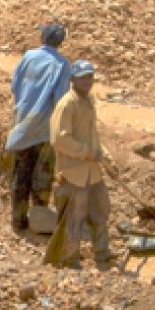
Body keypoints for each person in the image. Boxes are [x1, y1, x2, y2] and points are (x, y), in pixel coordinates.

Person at [5, 22, 70, 233]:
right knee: (42, 174)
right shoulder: (62, 64)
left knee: (20, 174)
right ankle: (39, 220)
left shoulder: (29, 56)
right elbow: (61, 99)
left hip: (23, 122)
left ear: (43, 37)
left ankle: (18, 221)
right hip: (44, 128)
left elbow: (15, 86)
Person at [48, 60, 112, 267]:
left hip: (92, 171)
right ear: (72, 79)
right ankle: (69, 257)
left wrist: (106, 157)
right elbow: (59, 139)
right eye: (83, 77)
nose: (87, 81)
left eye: (90, 77)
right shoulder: (67, 104)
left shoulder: (88, 101)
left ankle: (102, 252)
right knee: (74, 217)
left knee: (100, 211)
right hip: (74, 172)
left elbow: (92, 135)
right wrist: (85, 153)